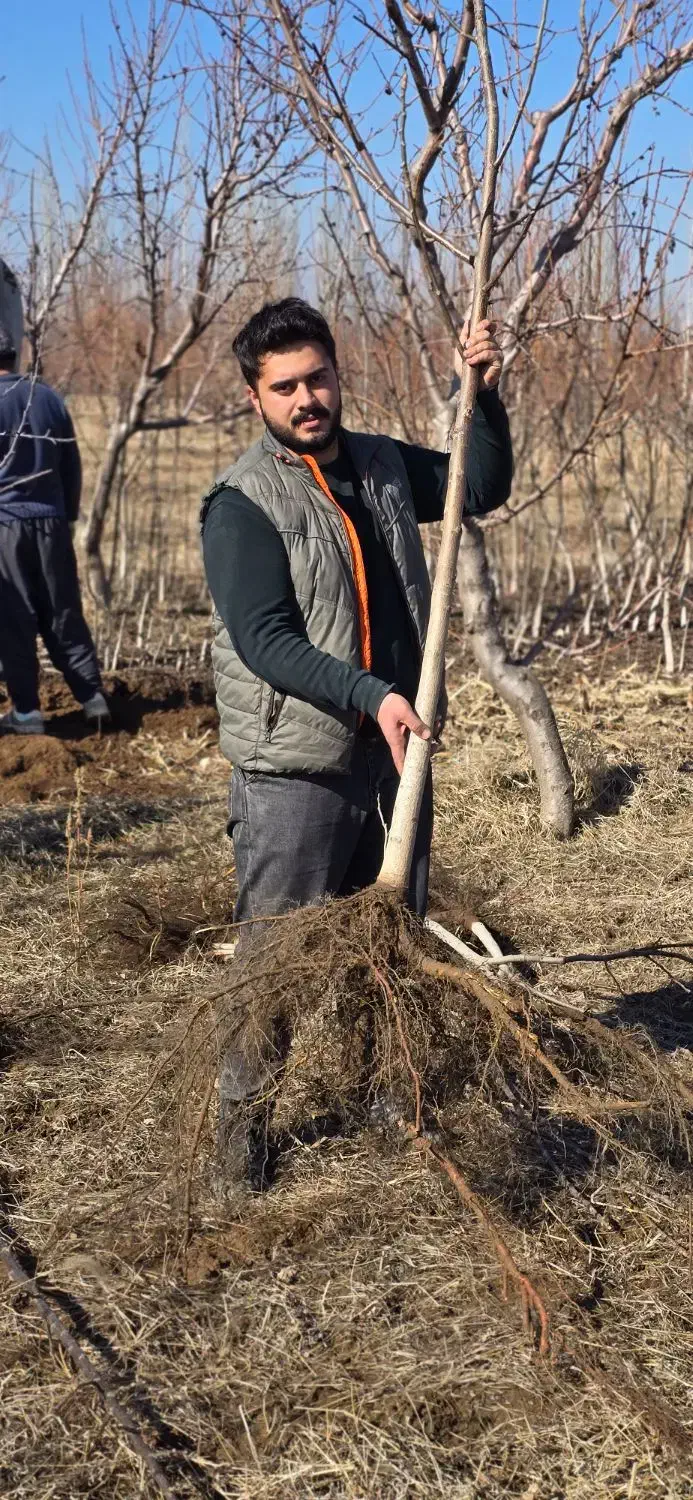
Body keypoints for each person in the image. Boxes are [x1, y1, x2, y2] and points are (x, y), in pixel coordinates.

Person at [201, 297, 512, 1185]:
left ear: (339, 375)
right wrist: (370, 693)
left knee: (389, 947)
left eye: (318, 377)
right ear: (256, 398)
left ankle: (387, 1099)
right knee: (277, 964)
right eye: (285, 386)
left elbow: (477, 487)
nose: (307, 398)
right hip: (296, 768)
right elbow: (265, 641)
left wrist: (479, 394)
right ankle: (241, 1143)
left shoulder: (378, 464)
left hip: (392, 754)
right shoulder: (242, 502)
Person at [0, 321, 109, 734]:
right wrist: (66, 517)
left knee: (15, 618)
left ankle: (27, 714)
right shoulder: (47, 397)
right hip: (51, 521)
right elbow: (72, 465)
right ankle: (92, 698)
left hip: (5, 524)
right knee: (63, 612)